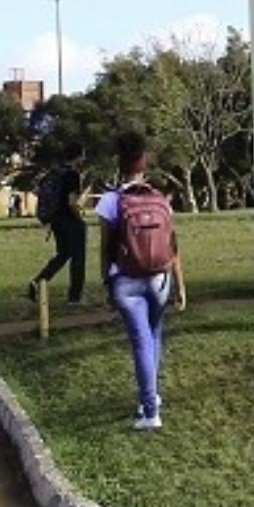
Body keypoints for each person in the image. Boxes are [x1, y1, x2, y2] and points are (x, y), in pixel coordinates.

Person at [97, 131, 186, 430]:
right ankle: (151, 397)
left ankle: (149, 411)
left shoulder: (111, 201)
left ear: (119, 164)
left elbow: (105, 247)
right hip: (160, 279)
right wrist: (180, 286)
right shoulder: (160, 198)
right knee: (153, 333)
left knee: (140, 341)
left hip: (127, 280)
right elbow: (172, 246)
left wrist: (105, 281)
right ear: (144, 162)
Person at [28, 143, 88, 305]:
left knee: (63, 254)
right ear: (78, 157)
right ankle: (75, 297)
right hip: (70, 220)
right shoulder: (72, 175)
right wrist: (80, 216)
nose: (84, 158)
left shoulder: (54, 172)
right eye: (82, 155)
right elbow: (71, 202)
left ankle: (39, 281)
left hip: (56, 220)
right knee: (78, 258)